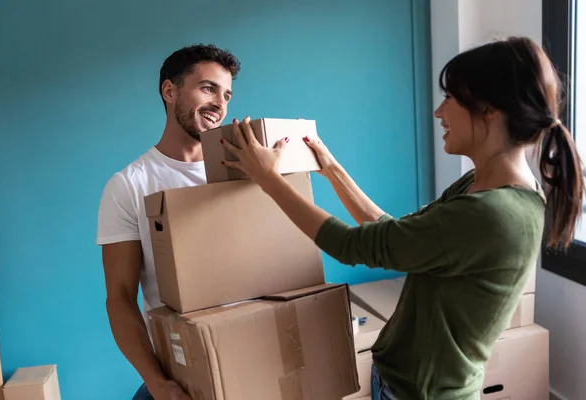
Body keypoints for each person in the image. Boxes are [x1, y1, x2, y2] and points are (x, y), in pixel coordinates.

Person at [218, 36, 584, 399]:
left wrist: (269, 180)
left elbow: (350, 246)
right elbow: (391, 232)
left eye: (450, 98)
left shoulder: (492, 214)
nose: (439, 112)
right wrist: (331, 169)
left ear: (489, 109)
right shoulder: (485, 185)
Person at [96, 44, 241, 400]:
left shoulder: (243, 172)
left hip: (251, 351)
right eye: (208, 88)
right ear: (169, 91)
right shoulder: (129, 185)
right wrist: (158, 384)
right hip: (184, 369)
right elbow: (119, 299)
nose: (219, 103)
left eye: (226, 95)